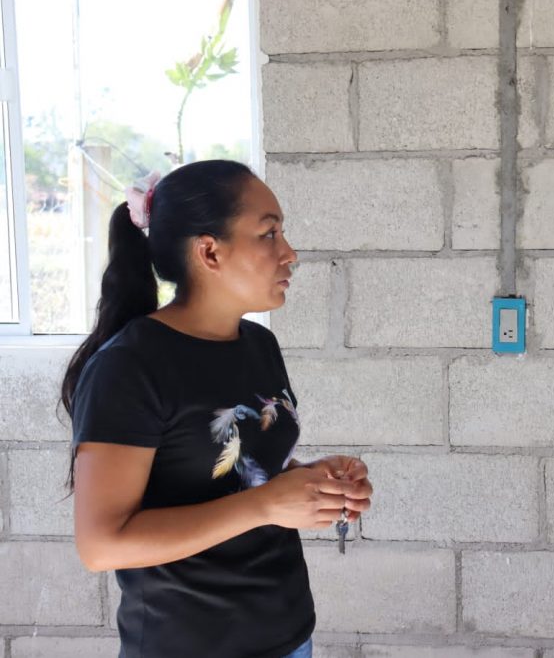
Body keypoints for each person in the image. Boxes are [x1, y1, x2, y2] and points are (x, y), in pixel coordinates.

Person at [60, 160, 373, 658]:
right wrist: (268, 505)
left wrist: (310, 482)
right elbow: (102, 545)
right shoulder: (129, 366)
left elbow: (234, 471)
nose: (289, 254)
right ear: (209, 251)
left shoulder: (259, 345)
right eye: (269, 234)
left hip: (288, 633)